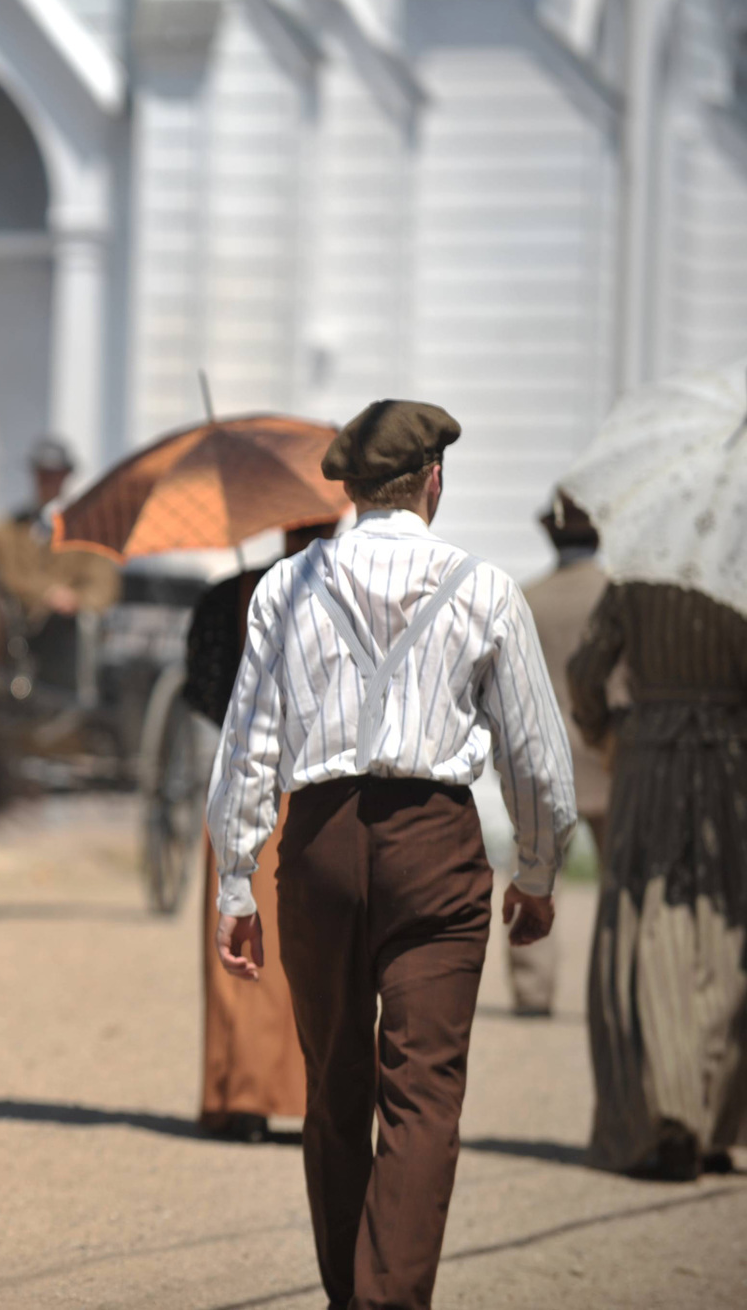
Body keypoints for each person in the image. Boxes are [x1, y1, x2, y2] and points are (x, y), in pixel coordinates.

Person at [207, 399, 576, 1310]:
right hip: (435, 848)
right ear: (433, 482)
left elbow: (249, 745)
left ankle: (350, 1294)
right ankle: (390, 1300)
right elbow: (538, 760)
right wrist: (536, 874)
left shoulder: (284, 588)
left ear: (351, 487)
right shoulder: (484, 588)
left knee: (333, 1090)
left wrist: (234, 882)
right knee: (424, 1095)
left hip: (321, 845)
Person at [569, 578, 747, 1180]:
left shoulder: (636, 576)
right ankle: (715, 1119)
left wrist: (607, 731)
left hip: (648, 759)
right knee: (726, 936)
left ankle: (669, 1119)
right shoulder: (739, 573)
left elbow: (586, 670)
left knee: (649, 936)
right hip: (730, 764)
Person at [182, 519, 338, 1142]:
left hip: (241, 777)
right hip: (321, 788)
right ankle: (311, 1096)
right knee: (316, 953)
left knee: (238, 952)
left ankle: (236, 1095)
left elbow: (200, 690)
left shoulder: (230, 596)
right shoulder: (357, 592)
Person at [509, 494, 616, 1017]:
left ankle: (532, 991)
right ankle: (622, 988)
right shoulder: (618, 596)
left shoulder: (527, 598)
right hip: (612, 759)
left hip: (546, 764)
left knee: (536, 877)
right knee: (625, 883)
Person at [0, 438, 121, 691]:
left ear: (66, 477)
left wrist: (74, 599)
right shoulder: (5, 532)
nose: (48, 481)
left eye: (55, 475)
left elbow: (103, 588)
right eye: (43, 474)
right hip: (12, 631)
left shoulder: (89, 533)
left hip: (64, 637)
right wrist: (46, 593)